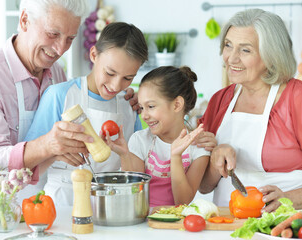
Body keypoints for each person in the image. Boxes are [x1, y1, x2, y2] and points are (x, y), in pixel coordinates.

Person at [0, 0, 139, 201]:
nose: (61, 49)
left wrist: (132, 98)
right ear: (25, 20)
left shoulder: (56, 72)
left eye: (70, 38)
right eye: (53, 34)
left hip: (37, 206)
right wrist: (47, 146)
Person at [24, 22, 148, 207]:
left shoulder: (130, 105)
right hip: (63, 203)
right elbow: (28, 165)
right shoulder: (60, 96)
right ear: (93, 55)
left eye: (128, 78)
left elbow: (139, 169)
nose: (115, 86)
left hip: (114, 207)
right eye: (110, 72)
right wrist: (54, 153)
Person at [198, 9, 302, 212]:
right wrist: (215, 159)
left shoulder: (296, 98)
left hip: (284, 225)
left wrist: (289, 199)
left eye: (245, 50)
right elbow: (203, 186)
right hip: (226, 223)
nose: (232, 58)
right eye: (228, 45)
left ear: (271, 55)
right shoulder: (220, 100)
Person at [105, 66, 210, 207]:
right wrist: (125, 156)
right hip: (141, 221)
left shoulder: (198, 148)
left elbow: (183, 201)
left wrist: (176, 156)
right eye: (142, 107)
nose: (144, 115)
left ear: (177, 104)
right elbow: (134, 192)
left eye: (151, 106)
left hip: (175, 225)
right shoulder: (140, 140)